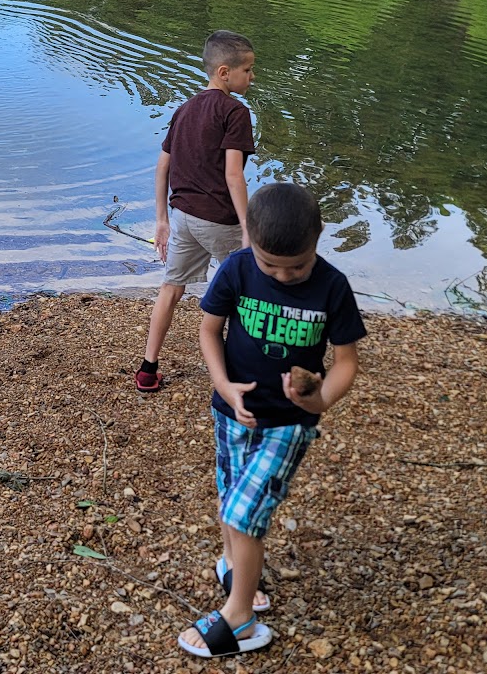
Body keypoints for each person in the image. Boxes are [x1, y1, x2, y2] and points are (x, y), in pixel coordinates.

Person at [177, 182, 366, 658]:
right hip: (232, 411)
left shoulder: (332, 286)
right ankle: (233, 564)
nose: (283, 275)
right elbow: (209, 330)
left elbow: (345, 362)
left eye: (297, 267)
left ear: (318, 237)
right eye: (271, 265)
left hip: (289, 423)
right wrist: (223, 385)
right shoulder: (238, 268)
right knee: (231, 495)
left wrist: (320, 400)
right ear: (251, 240)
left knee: (245, 512)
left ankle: (240, 618)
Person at [135, 30, 256, 393]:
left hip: (183, 217)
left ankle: (147, 369)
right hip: (220, 220)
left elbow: (162, 167)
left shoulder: (184, 109)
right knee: (244, 291)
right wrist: (247, 227)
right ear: (224, 72)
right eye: (248, 70)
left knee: (171, 288)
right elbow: (233, 175)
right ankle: (241, 368)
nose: (252, 77)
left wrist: (162, 220)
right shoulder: (236, 112)